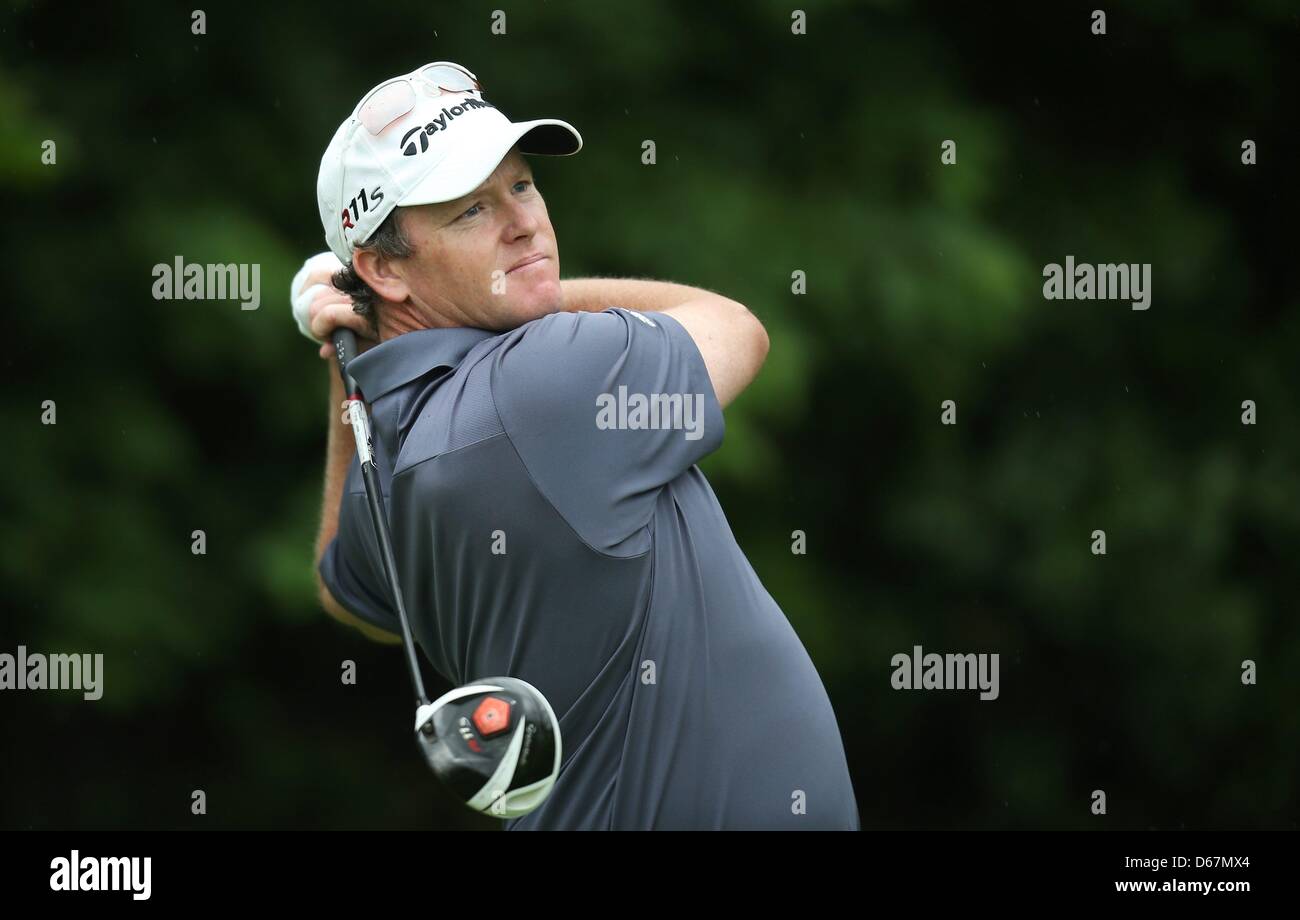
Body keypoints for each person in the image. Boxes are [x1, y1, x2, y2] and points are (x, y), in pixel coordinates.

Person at [294, 61, 859, 829]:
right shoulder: (545, 380)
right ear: (384, 269)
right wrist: (545, 298)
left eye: (521, 186)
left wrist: (349, 363)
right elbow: (736, 328)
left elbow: (346, 591)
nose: (523, 222)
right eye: (470, 212)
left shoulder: (391, 442)